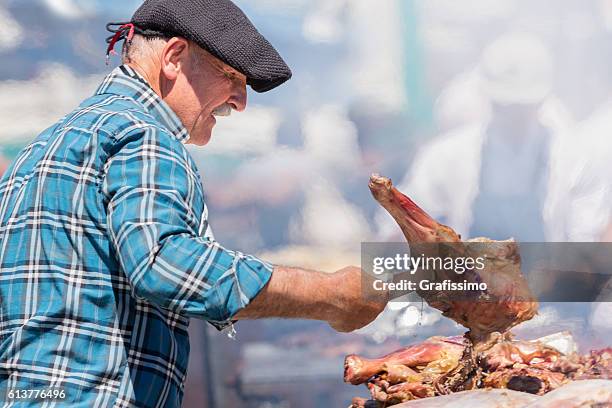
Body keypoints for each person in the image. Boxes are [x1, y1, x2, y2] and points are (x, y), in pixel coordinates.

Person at [0, 1, 386, 406]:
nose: (240, 101)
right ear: (174, 57)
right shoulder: (142, 133)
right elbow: (165, 264)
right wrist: (330, 294)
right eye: (231, 76)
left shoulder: (45, 145)